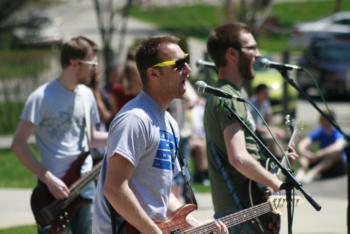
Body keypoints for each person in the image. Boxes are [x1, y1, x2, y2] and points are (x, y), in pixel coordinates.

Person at [92, 35, 227, 234]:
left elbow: (162, 194)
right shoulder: (134, 119)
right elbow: (114, 189)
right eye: (179, 64)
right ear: (154, 74)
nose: (188, 70)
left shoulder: (170, 123)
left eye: (187, 61)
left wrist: (199, 227)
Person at [204, 23, 298, 233]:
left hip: (247, 210)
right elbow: (238, 158)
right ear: (232, 54)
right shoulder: (228, 97)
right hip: (241, 214)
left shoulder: (234, 95)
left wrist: (279, 167)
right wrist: (275, 183)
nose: (258, 54)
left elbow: (249, 157)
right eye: (251, 48)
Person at [11, 36, 108, 234]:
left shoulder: (87, 95)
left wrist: (123, 135)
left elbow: (92, 138)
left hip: (85, 185)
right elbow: (18, 144)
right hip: (52, 190)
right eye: (91, 64)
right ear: (74, 64)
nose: (95, 69)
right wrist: (49, 179)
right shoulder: (41, 97)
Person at [297, 111, 347, 183]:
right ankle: (301, 172)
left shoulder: (337, 132)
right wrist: (304, 152)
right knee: (305, 156)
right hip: (323, 160)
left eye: (324, 120)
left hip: (338, 165)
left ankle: (312, 173)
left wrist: (319, 154)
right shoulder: (320, 131)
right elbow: (303, 143)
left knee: (334, 155)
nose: (322, 122)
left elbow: (338, 147)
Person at [249, 83, 286, 157]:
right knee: (271, 137)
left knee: (279, 134)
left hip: (262, 129)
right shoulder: (251, 105)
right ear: (258, 93)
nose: (267, 95)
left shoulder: (265, 102)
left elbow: (270, 120)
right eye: (265, 93)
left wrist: (275, 129)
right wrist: (274, 131)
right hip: (254, 132)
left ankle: (281, 156)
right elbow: (256, 127)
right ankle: (278, 158)